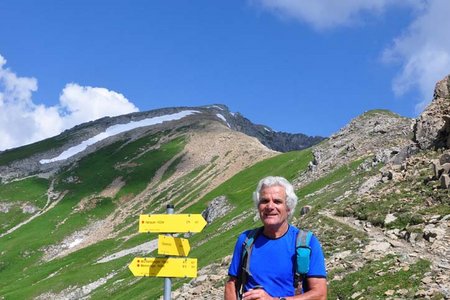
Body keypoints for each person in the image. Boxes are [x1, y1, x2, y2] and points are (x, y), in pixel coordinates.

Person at [224, 176, 327, 300]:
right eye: (264, 201)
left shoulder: (307, 242)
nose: (270, 206)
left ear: (288, 208)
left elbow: (320, 294)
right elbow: (231, 283)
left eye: (277, 201)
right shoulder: (246, 240)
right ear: (258, 206)